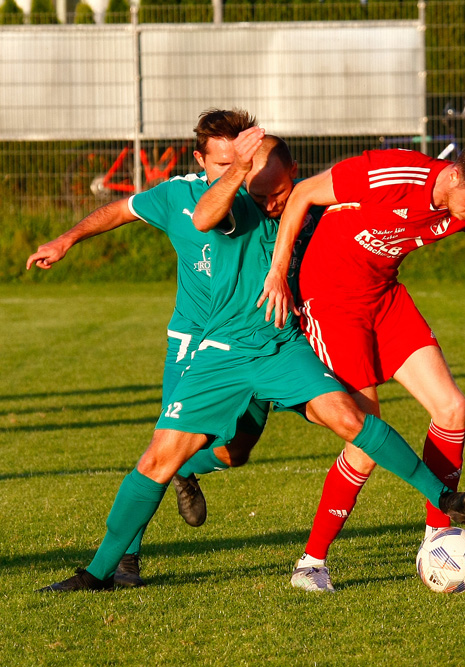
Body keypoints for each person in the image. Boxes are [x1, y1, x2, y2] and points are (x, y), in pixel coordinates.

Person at [38, 132, 465, 593]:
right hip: (223, 352)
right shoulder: (233, 203)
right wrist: (239, 174)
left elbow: (361, 225)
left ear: (294, 172)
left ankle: (443, 499)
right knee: (159, 460)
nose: (270, 204)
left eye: (278, 192)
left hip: (282, 348)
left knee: (343, 421)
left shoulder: (313, 207)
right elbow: (205, 215)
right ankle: (97, 572)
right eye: (260, 191)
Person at [258, 143, 465, 591]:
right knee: (366, 436)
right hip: (330, 296)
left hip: (383, 295)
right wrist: (278, 270)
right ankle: (311, 563)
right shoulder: (390, 173)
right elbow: (302, 193)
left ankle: (439, 538)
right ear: (456, 176)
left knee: (452, 407)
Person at [25, 109, 273, 587]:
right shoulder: (177, 196)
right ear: (199, 159)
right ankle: (123, 562)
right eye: (221, 164)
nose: (233, 171)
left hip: (253, 343)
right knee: (160, 452)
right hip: (191, 344)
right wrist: (67, 238)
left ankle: (186, 469)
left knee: (237, 450)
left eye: (239, 159)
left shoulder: (265, 197)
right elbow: (122, 209)